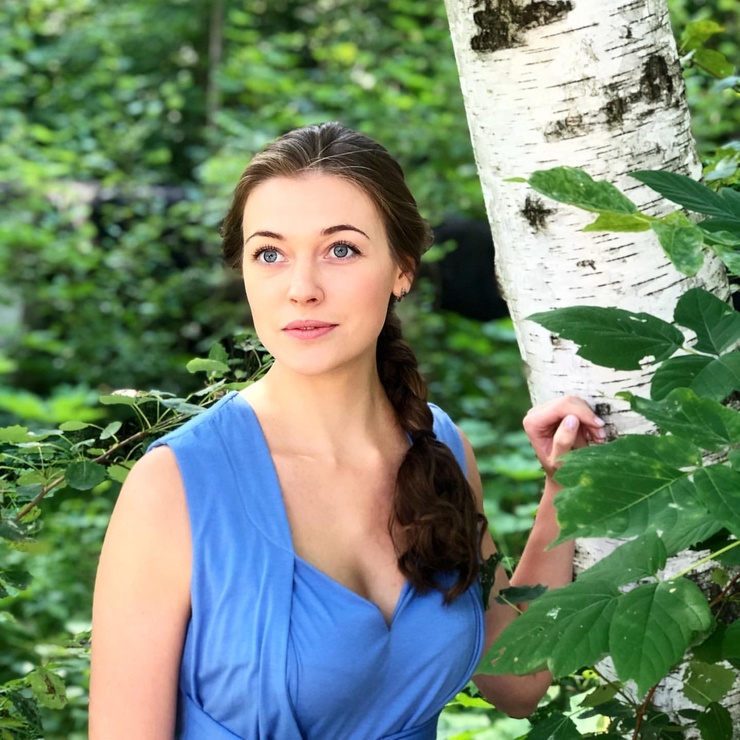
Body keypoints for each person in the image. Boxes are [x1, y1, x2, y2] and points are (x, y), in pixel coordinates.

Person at [89, 122, 606, 739]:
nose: (301, 289)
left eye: (341, 250)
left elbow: (516, 681)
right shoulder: (175, 485)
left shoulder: (438, 446)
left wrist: (566, 490)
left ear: (402, 270)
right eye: (270, 254)